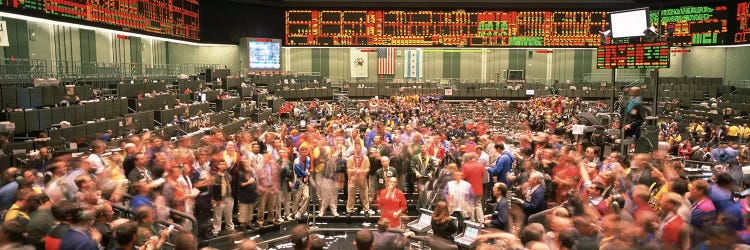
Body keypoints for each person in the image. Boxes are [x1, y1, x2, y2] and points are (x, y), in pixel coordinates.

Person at [347, 142, 371, 215]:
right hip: (353, 178)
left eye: (359, 148)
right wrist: (354, 170)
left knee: (364, 195)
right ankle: (349, 209)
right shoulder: (350, 158)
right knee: (351, 195)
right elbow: (348, 169)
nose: (358, 149)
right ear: (354, 149)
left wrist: (363, 171)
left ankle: (366, 209)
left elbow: (368, 168)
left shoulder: (366, 158)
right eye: (356, 148)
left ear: (361, 149)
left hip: (362, 178)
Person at [212, 159, 235, 236]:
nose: (222, 165)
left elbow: (232, 183)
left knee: (229, 214)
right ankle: (216, 229)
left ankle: (230, 227)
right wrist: (213, 199)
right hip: (219, 198)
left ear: (225, 165)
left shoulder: (228, 174)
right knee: (218, 215)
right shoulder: (215, 175)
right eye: (220, 164)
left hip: (229, 196)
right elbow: (213, 188)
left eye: (223, 164)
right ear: (218, 166)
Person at [293, 145, 312, 218]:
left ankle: (300, 213)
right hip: (298, 181)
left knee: (306, 197)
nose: (304, 152)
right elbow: (298, 171)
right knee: (297, 200)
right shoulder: (297, 160)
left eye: (305, 151)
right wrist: (306, 174)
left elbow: (308, 168)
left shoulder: (308, 159)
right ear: (300, 152)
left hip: (306, 182)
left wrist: (307, 175)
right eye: (302, 151)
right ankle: (294, 213)